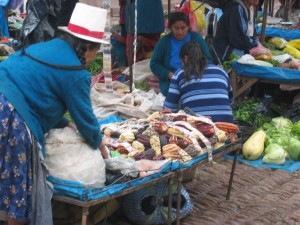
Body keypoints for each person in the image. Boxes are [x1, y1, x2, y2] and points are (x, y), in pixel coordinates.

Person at [0, 3, 108, 225]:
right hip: (11, 114)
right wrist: (103, 148)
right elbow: (86, 121)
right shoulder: (76, 73)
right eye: (96, 50)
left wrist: (64, 123)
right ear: (88, 47)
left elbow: (38, 89)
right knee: (19, 191)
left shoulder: (46, 47)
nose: (92, 56)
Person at [164, 41, 234, 122]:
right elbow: (231, 100)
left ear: (185, 58)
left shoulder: (179, 74)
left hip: (198, 126)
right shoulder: (221, 71)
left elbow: (168, 109)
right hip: (227, 123)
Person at [150, 11, 212, 97]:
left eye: (183, 28)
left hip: (195, 78)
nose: (180, 32)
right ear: (171, 28)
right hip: (171, 81)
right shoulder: (164, 42)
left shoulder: (196, 38)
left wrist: (196, 72)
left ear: (188, 27)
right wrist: (168, 74)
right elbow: (154, 63)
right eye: (176, 28)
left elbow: (208, 60)